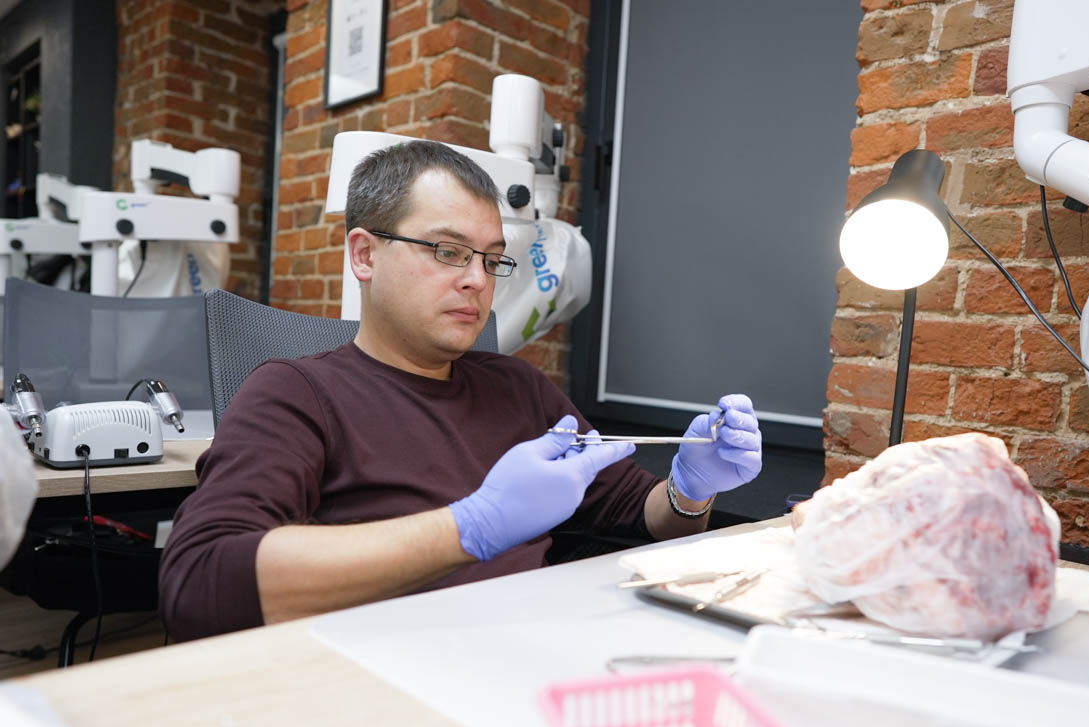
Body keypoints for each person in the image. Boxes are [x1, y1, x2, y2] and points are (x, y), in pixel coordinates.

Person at [159, 140, 762, 641]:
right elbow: (198, 583)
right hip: (393, 678)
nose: (477, 280)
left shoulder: (519, 387)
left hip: (537, 651)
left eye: (492, 259)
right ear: (364, 255)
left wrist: (691, 489)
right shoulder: (296, 393)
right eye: (448, 252)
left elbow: (640, 513)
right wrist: (471, 527)